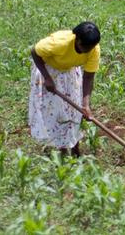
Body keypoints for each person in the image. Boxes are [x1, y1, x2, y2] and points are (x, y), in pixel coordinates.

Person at [29, 22, 100, 157]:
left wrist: (85, 105)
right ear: (77, 39)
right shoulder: (59, 43)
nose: (87, 50)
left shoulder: (93, 50)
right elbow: (35, 52)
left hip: (70, 72)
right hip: (48, 70)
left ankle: (74, 147)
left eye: (91, 48)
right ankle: (61, 149)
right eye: (85, 47)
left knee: (74, 112)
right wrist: (47, 78)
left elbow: (89, 77)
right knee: (54, 111)